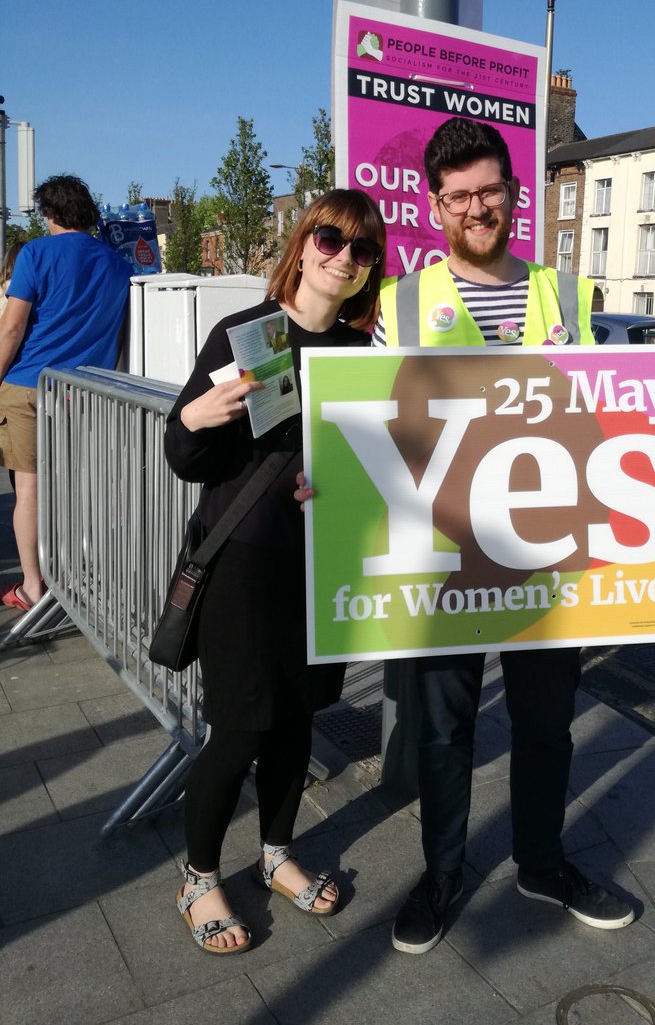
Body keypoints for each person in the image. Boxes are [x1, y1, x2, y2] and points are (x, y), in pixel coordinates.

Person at [373, 118, 655, 955]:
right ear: (435, 207)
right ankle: (442, 874)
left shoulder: (566, 295)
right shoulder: (401, 302)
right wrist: (329, 487)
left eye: (489, 190)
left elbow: (608, 419)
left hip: (548, 555)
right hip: (449, 552)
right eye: (458, 196)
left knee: (544, 725)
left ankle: (541, 862)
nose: (476, 208)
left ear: (514, 195)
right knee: (443, 731)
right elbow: (371, 425)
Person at [164, 189, 385, 954]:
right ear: (303, 242)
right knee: (239, 730)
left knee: (297, 720)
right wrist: (195, 417)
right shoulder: (245, 334)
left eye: (362, 249)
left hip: (322, 565)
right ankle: (197, 876)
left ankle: (276, 853)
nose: (344, 258)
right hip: (245, 565)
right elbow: (188, 458)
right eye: (330, 239)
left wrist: (344, 487)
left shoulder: (362, 353)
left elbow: (374, 467)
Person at [0, 176, 132, 611]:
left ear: (48, 213)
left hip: (29, 385)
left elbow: (12, 328)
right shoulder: (118, 265)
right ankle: (74, 572)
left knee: (29, 491)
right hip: (84, 392)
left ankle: (33, 587)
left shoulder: (36, 253)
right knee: (75, 488)